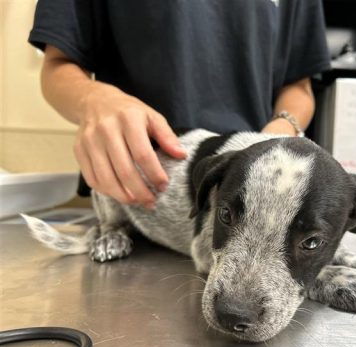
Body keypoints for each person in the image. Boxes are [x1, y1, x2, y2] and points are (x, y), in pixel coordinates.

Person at [29, 1, 331, 209]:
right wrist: (94, 100)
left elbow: (299, 86)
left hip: (248, 198)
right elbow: (58, 65)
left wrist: (282, 127)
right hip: (135, 193)